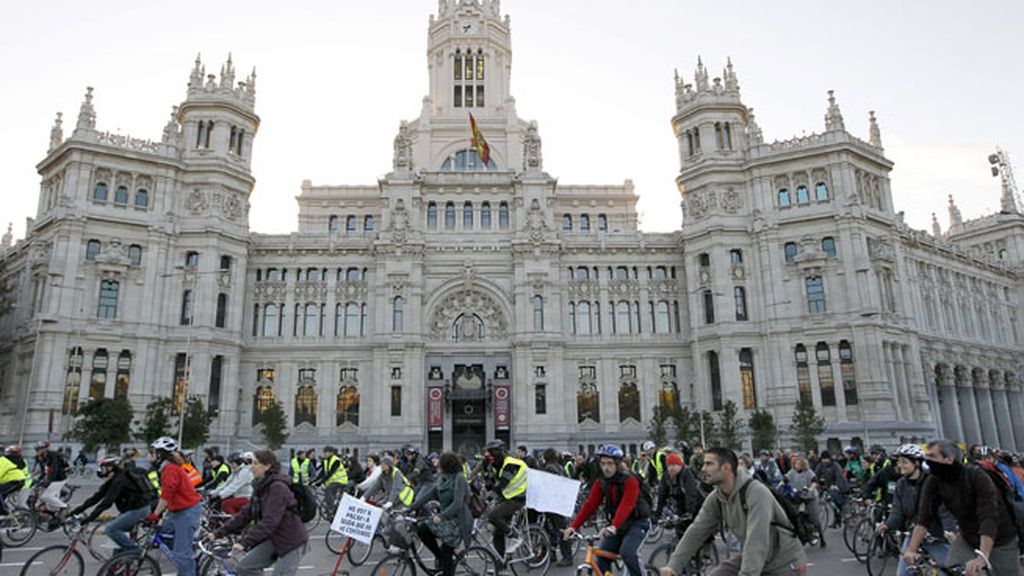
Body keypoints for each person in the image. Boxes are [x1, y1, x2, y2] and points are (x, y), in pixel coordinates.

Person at [659, 447, 806, 576]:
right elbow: (697, 530)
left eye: (709, 464)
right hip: (754, 557)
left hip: (783, 563)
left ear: (726, 468)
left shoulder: (756, 492)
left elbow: (757, 540)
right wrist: (673, 565)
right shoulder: (717, 497)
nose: (703, 469)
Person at [904, 439, 1020, 576]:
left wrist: (983, 555)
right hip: (968, 538)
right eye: (926, 456)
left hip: (1000, 539)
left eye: (932, 456)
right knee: (952, 569)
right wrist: (911, 550)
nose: (927, 461)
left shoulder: (977, 477)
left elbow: (988, 518)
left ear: (949, 459)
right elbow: (924, 517)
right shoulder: (934, 480)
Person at [213, 450, 309, 576]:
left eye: (255, 463)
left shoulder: (277, 487)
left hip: (290, 540)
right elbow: (245, 514)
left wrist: (245, 543)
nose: (251, 467)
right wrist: (217, 533)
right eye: (251, 463)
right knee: (244, 567)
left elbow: (270, 521)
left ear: (267, 466)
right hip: (274, 538)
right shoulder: (261, 486)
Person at [564, 445, 650, 576]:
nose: (606, 468)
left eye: (610, 463)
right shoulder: (601, 482)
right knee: (602, 556)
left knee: (628, 553)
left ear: (617, 464)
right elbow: (590, 505)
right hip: (618, 526)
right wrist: (574, 526)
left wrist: (613, 527)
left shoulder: (630, 480)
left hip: (637, 523)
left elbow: (627, 505)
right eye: (603, 463)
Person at [877, 444, 953, 576]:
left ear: (916, 463)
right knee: (903, 573)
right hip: (913, 535)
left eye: (904, 462)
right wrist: (887, 525)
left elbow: (944, 511)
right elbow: (897, 511)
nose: (900, 465)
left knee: (954, 568)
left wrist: (949, 531)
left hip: (936, 536)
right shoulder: (901, 484)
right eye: (899, 462)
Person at [68, 455, 155, 555]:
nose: (101, 471)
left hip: (139, 510)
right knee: (117, 542)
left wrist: (89, 519)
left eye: (102, 468)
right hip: (131, 510)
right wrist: (73, 512)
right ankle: (119, 562)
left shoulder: (120, 480)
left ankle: (136, 552)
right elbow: (95, 498)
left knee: (111, 529)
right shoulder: (114, 479)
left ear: (110, 468)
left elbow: (107, 503)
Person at [146, 437, 203, 576]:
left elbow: (166, 494)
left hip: (187, 511)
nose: (150, 455)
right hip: (177, 511)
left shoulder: (170, 469)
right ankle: (188, 561)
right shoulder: (167, 467)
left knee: (181, 553)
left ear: (160, 454)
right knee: (164, 534)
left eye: (153, 452)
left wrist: (155, 514)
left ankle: (188, 567)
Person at [411, 452, 473, 576]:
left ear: (446, 465)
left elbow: (458, 503)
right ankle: (441, 558)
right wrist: (409, 508)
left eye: (440, 463)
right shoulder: (442, 478)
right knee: (422, 530)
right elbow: (428, 495)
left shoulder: (459, 478)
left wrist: (441, 516)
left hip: (458, 519)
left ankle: (446, 567)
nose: (437, 465)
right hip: (446, 518)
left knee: (447, 549)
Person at [481, 439, 527, 560]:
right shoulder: (498, 465)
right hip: (507, 497)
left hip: (518, 498)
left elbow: (501, 485)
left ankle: (514, 535)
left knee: (493, 515)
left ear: (498, 452)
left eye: (490, 453)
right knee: (498, 532)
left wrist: (487, 500)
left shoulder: (511, 464)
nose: (488, 456)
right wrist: (486, 471)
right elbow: (490, 485)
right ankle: (501, 562)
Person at [655, 452, 703, 536]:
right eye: (669, 465)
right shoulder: (666, 477)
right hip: (680, 504)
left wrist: (689, 511)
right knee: (679, 528)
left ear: (680, 466)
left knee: (696, 529)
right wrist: (658, 512)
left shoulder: (686, 474)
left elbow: (691, 493)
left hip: (696, 503)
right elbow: (662, 495)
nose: (671, 468)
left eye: (674, 465)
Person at [542, 448, 575, 566]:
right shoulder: (560, 467)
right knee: (555, 528)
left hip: (552, 503)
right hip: (559, 502)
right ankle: (554, 554)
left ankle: (565, 557)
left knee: (555, 529)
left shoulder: (549, 468)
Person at [782, 454, 824, 546]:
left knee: (814, 518)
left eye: (799, 464)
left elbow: (814, 481)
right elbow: (785, 479)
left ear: (803, 465)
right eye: (796, 464)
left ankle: (821, 537)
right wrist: (781, 484)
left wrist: (811, 489)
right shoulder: (792, 472)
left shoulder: (808, 472)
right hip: (798, 496)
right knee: (795, 514)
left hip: (810, 497)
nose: (797, 466)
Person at [34, 440, 69, 518]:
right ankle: (55, 515)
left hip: (59, 479)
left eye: (39, 449)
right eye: (37, 450)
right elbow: (44, 471)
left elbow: (55, 469)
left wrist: (49, 480)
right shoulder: (42, 457)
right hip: (53, 479)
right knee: (45, 499)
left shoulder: (53, 455)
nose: (38, 451)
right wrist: (39, 480)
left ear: (45, 449)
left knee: (46, 496)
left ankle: (64, 507)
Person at [814, 450, 847, 524]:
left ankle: (841, 515)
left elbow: (839, 477)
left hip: (836, 485)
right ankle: (836, 517)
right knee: (828, 500)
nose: (824, 461)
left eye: (826, 459)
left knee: (836, 500)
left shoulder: (835, 465)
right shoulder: (820, 465)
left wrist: (836, 486)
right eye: (823, 459)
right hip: (827, 485)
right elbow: (815, 475)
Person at [0, 446, 28, 515]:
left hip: (15, 481)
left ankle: (4, 512)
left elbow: (0, 472)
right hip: (14, 481)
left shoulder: (3, 460)